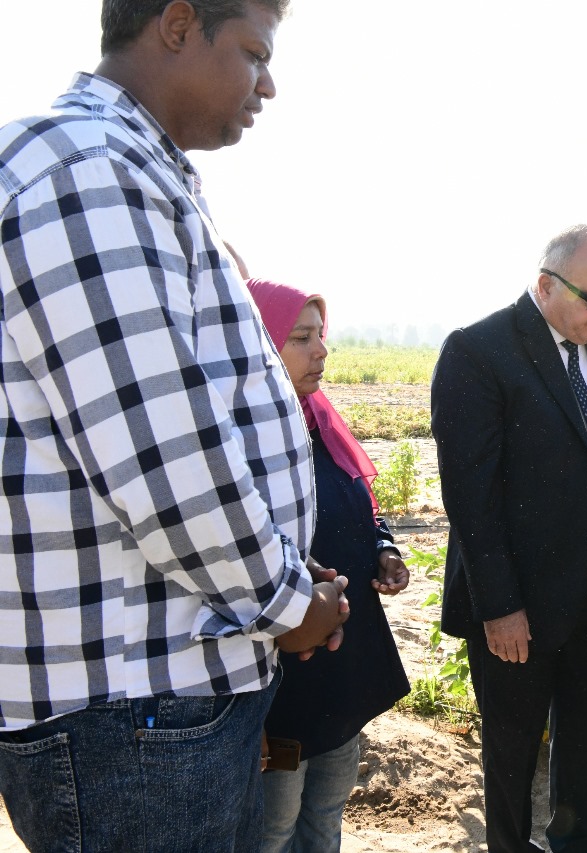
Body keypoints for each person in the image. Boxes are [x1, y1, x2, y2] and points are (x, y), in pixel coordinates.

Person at [0, 3, 348, 851]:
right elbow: (163, 462)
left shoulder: (129, 173)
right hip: (134, 715)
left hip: (155, 706)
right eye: (254, 52)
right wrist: (286, 602)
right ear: (179, 23)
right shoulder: (84, 171)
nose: (268, 83)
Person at [431, 225, 587, 853]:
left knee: (582, 737)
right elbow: (470, 497)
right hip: (518, 600)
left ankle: (574, 844)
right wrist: (500, 606)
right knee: (513, 752)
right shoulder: (478, 351)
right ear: (546, 285)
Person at [247, 279, 411, 853]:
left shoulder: (319, 421)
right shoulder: (244, 440)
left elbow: (360, 505)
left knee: (326, 809)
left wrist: (383, 548)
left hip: (340, 659)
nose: (321, 350)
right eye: (301, 338)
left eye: (321, 335)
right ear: (261, 340)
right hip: (283, 668)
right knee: (274, 825)